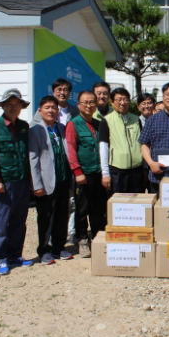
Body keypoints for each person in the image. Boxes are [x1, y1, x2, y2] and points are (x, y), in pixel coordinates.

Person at [0, 88, 33, 275]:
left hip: (21, 181)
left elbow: (27, 155)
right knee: (2, 222)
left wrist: (29, 180)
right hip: (4, 183)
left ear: (21, 106)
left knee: (19, 221)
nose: (13, 107)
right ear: (3, 106)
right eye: (10, 104)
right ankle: (0, 258)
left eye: (17, 104)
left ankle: (14, 255)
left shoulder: (23, 126)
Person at [29, 96, 73, 265]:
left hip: (62, 179)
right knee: (46, 217)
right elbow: (33, 159)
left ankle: (58, 247)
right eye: (47, 107)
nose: (50, 110)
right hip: (46, 182)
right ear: (40, 111)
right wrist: (36, 184)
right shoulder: (35, 130)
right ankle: (44, 250)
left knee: (62, 216)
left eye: (53, 108)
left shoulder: (61, 128)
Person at [65, 91, 107, 258]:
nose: (89, 105)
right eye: (85, 102)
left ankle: (97, 236)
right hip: (83, 174)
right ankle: (82, 238)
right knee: (82, 208)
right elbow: (71, 149)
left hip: (98, 172)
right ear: (79, 105)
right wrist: (77, 171)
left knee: (98, 207)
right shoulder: (73, 124)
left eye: (92, 102)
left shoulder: (99, 123)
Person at [99, 88, 144, 194]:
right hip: (117, 172)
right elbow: (103, 148)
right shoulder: (107, 120)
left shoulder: (136, 119)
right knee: (118, 205)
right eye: (119, 100)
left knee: (137, 204)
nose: (122, 103)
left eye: (125, 99)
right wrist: (105, 174)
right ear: (112, 102)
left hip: (137, 170)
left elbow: (143, 144)